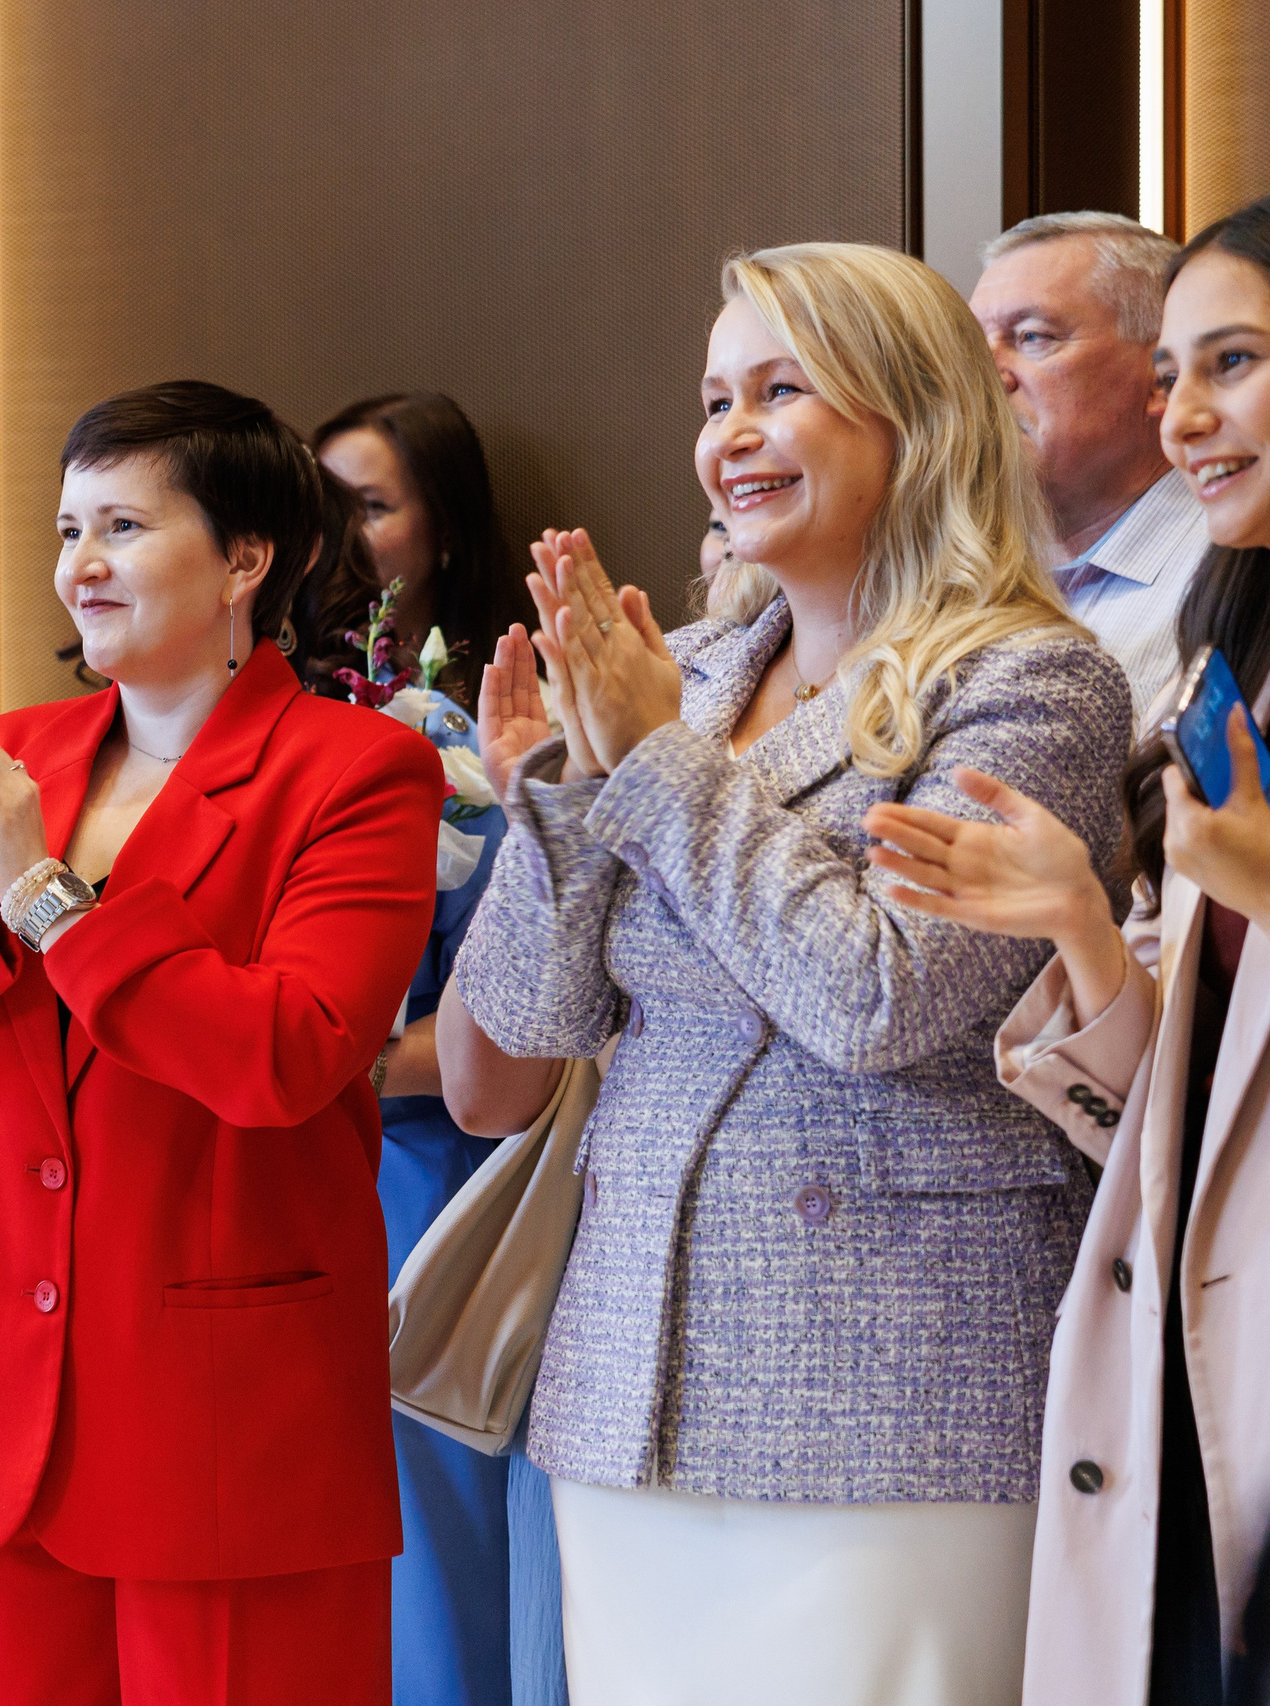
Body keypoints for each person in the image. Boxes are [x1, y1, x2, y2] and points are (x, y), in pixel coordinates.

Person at [456, 242, 1132, 1704]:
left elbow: (877, 999)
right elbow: (515, 1034)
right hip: (632, 1378)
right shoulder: (684, 670)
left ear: (915, 415)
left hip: (897, 1398)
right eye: (716, 400)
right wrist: (562, 780)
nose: (732, 434)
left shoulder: (1031, 682)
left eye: (781, 389)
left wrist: (657, 758)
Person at [0, 380, 442, 1703]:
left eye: (123, 526)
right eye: (67, 529)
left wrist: (48, 895)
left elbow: (289, 1053)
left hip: (225, 1426)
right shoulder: (9, 761)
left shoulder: (354, 771)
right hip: (1, 1419)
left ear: (246, 558)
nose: (79, 565)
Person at [854, 194, 1270, 1706]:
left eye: (1231, 363)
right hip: (1199, 1324)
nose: (1188, 416)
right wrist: (1083, 924)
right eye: (1173, 375)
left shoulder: (1093, 659)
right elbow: (1182, 1094)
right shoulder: (1235, 639)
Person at [317, 390, 547, 1706]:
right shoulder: (240, 717)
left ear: (443, 533)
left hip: (421, 1177)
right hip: (268, 1176)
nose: (335, 535)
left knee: (426, 1571)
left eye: (369, 504)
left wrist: (298, 1055)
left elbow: (518, 1018)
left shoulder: (469, 743)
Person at [974, 212, 1210, 717]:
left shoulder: (1233, 573)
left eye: (1032, 336)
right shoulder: (949, 567)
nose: (984, 378)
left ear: (1162, 377)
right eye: (974, 347)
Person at [316, 393, 535, 709]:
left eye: (372, 507)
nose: (336, 533)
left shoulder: (529, 712)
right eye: (325, 507)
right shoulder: (283, 675)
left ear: (446, 526)